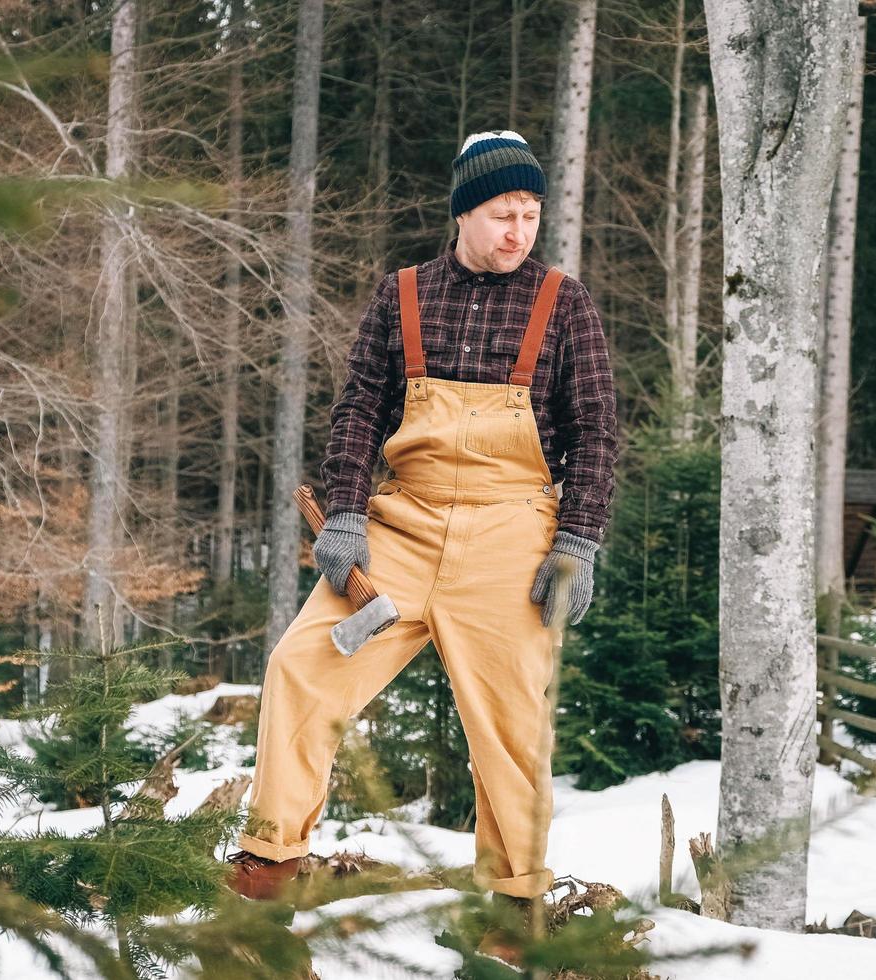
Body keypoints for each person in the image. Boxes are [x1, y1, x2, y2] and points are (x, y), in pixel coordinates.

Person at [227, 130, 620, 916]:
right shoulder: (400, 293)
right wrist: (343, 515)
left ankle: (514, 910)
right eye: (503, 213)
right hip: (401, 529)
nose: (518, 231)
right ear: (464, 213)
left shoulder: (561, 301)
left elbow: (598, 428)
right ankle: (268, 871)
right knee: (299, 671)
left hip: (513, 537)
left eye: (530, 214)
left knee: (511, 729)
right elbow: (358, 411)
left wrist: (576, 540)